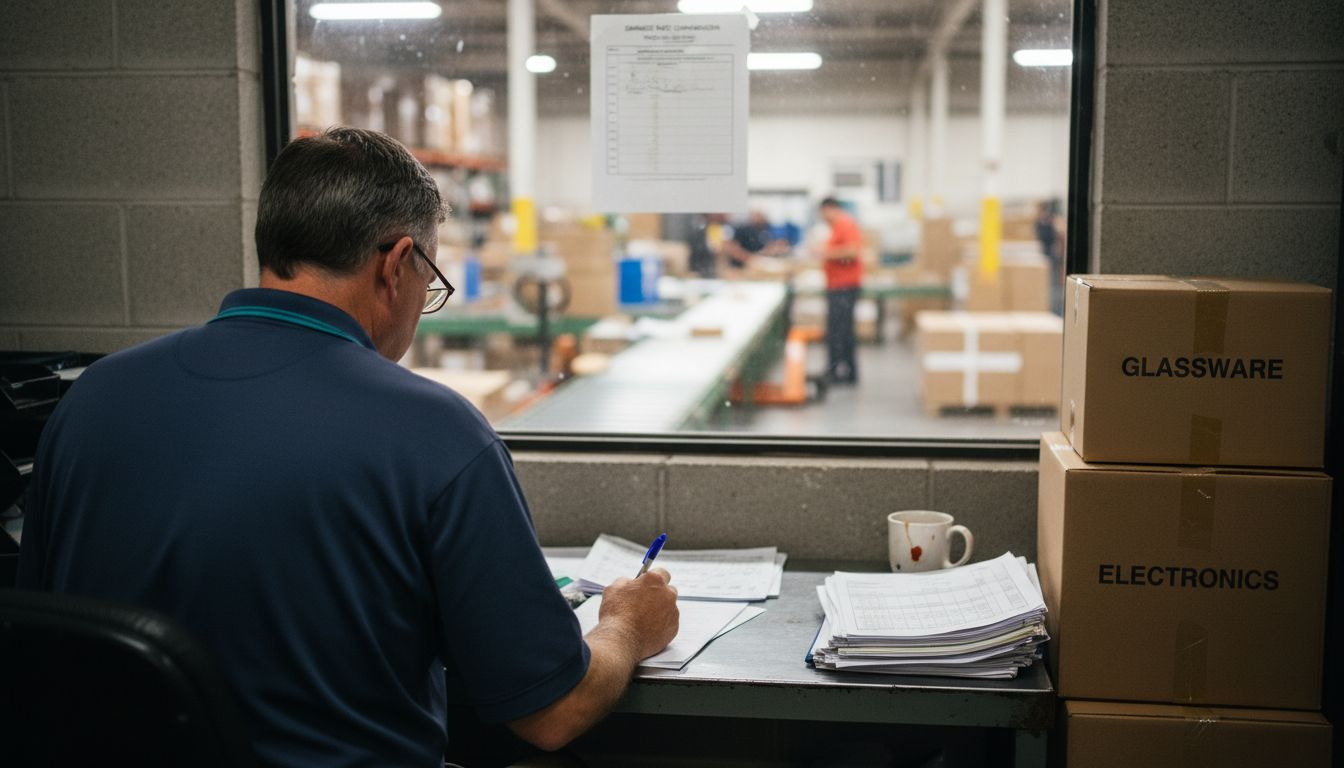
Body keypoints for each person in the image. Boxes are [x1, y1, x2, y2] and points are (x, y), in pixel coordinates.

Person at [17, 127, 679, 767]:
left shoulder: (92, 400)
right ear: (397, 264)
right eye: (431, 279)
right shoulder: (434, 431)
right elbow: (552, 714)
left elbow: (43, 642)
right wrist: (626, 627)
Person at [817, 197, 864, 384]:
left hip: (844, 286)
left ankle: (841, 373)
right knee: (839, 331)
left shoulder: (844, 223)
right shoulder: (838, 226)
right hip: (838, 285)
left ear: (830, 209)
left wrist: (825, 253)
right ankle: (842, 372)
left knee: (840, 332)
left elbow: (852, 251)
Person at [721, 210, 788, 270]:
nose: (758, 218)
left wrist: (771, 250)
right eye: (757, 215)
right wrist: (750, 259)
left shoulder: (767, 229)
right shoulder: (742, 229)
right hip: (741, 267)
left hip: (761, 265)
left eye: (761, 216)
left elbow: (776, 244)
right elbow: (731, 248)